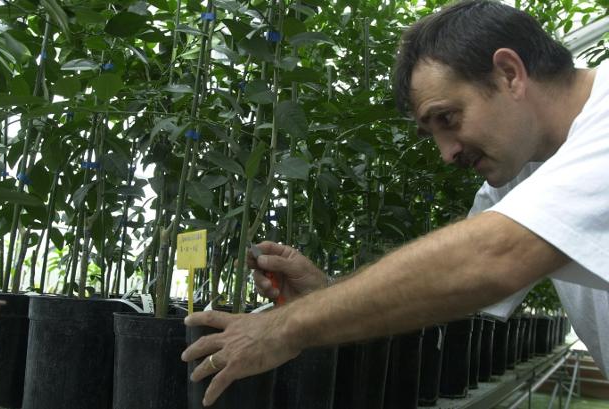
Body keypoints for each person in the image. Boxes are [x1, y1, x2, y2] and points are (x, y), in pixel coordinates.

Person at [181, 0, 609, 405]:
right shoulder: (520, 167)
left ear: (509, 73)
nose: (447, 153)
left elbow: (492, 258)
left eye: (448, 119)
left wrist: (284, 329)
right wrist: (325, 295)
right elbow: (453, 291)